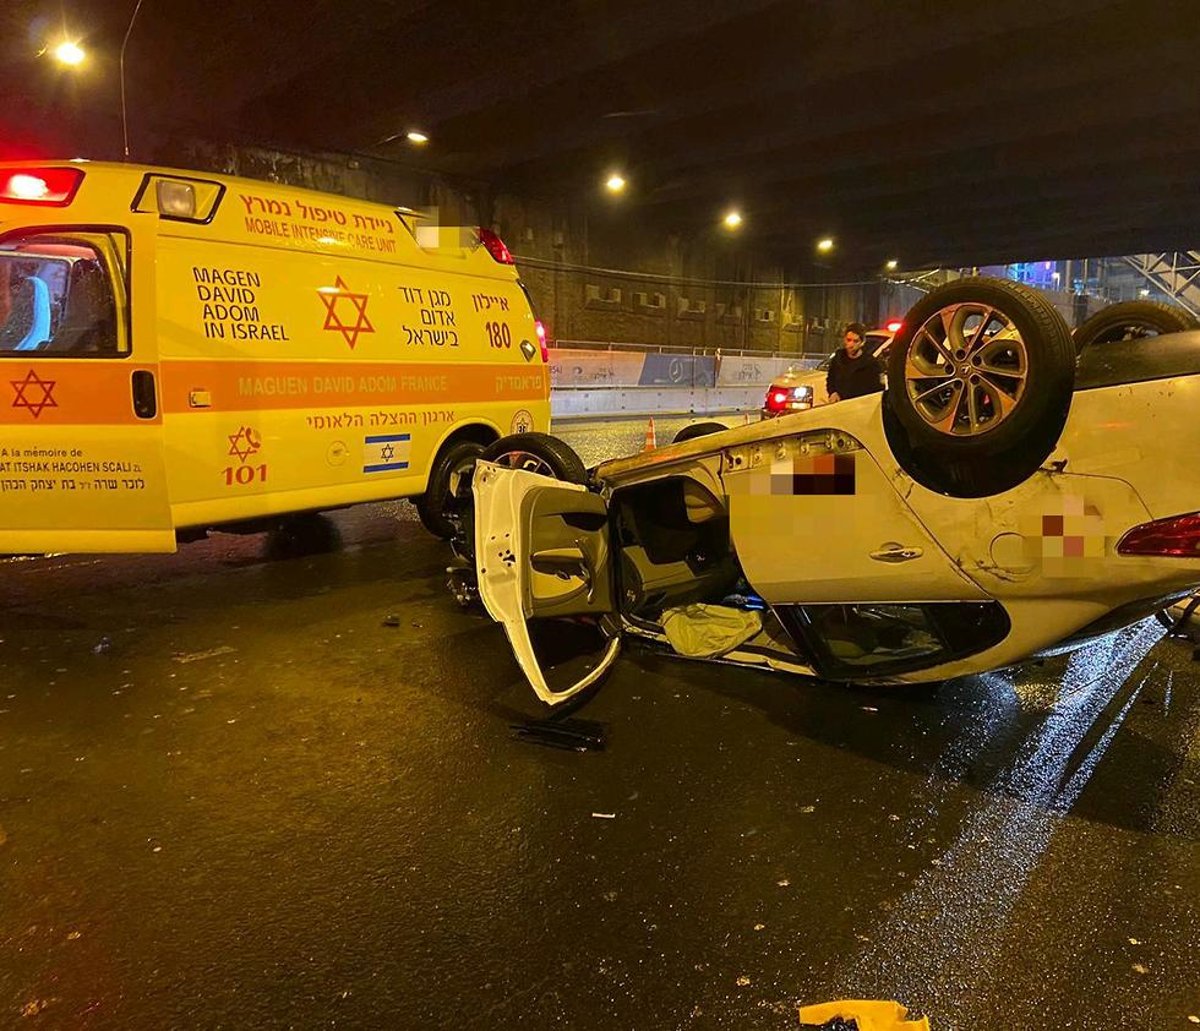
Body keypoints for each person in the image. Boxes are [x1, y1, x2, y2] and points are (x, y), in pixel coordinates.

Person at [826, 321, 884, 403]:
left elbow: (878, 390)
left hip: (860, 407)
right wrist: (832, 393)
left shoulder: (871, 364)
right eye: (848, 340)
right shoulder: (838, 358)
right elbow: (830, 379)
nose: (851, 345)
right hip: (839, 405)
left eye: (855, 341)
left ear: (862, 342)